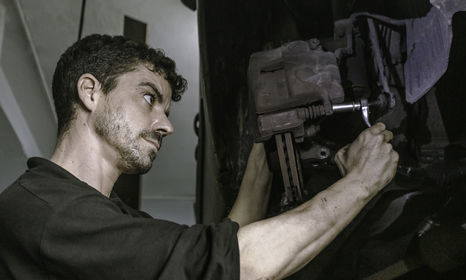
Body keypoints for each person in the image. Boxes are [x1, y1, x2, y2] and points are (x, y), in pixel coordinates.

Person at [0, 34, 398, 280]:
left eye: (167, 112)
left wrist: (265, 144)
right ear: (90, 92)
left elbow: (224, 244)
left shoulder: (106, 215)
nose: (165, 126)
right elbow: (242, 265)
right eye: (148, 98)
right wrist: (360, 184)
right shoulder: (47, 209)